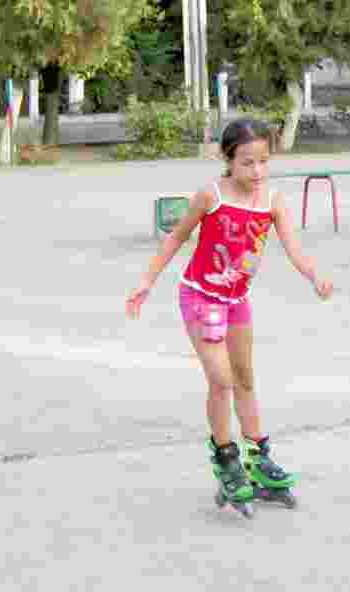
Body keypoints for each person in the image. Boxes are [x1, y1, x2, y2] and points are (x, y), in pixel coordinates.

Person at [125, 118, 333, 514]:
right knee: (221, 381)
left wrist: (314, 276)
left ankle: (259, 457)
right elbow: (177, 236)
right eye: (247, 163)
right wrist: (146, 282)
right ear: (228, 160)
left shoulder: (272, 201)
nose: (256, 172)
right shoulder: (211, 196)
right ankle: (226, 459)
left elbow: (293, 246)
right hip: (201, 296)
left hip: (237, 299)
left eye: (263, 162)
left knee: (245, 380)